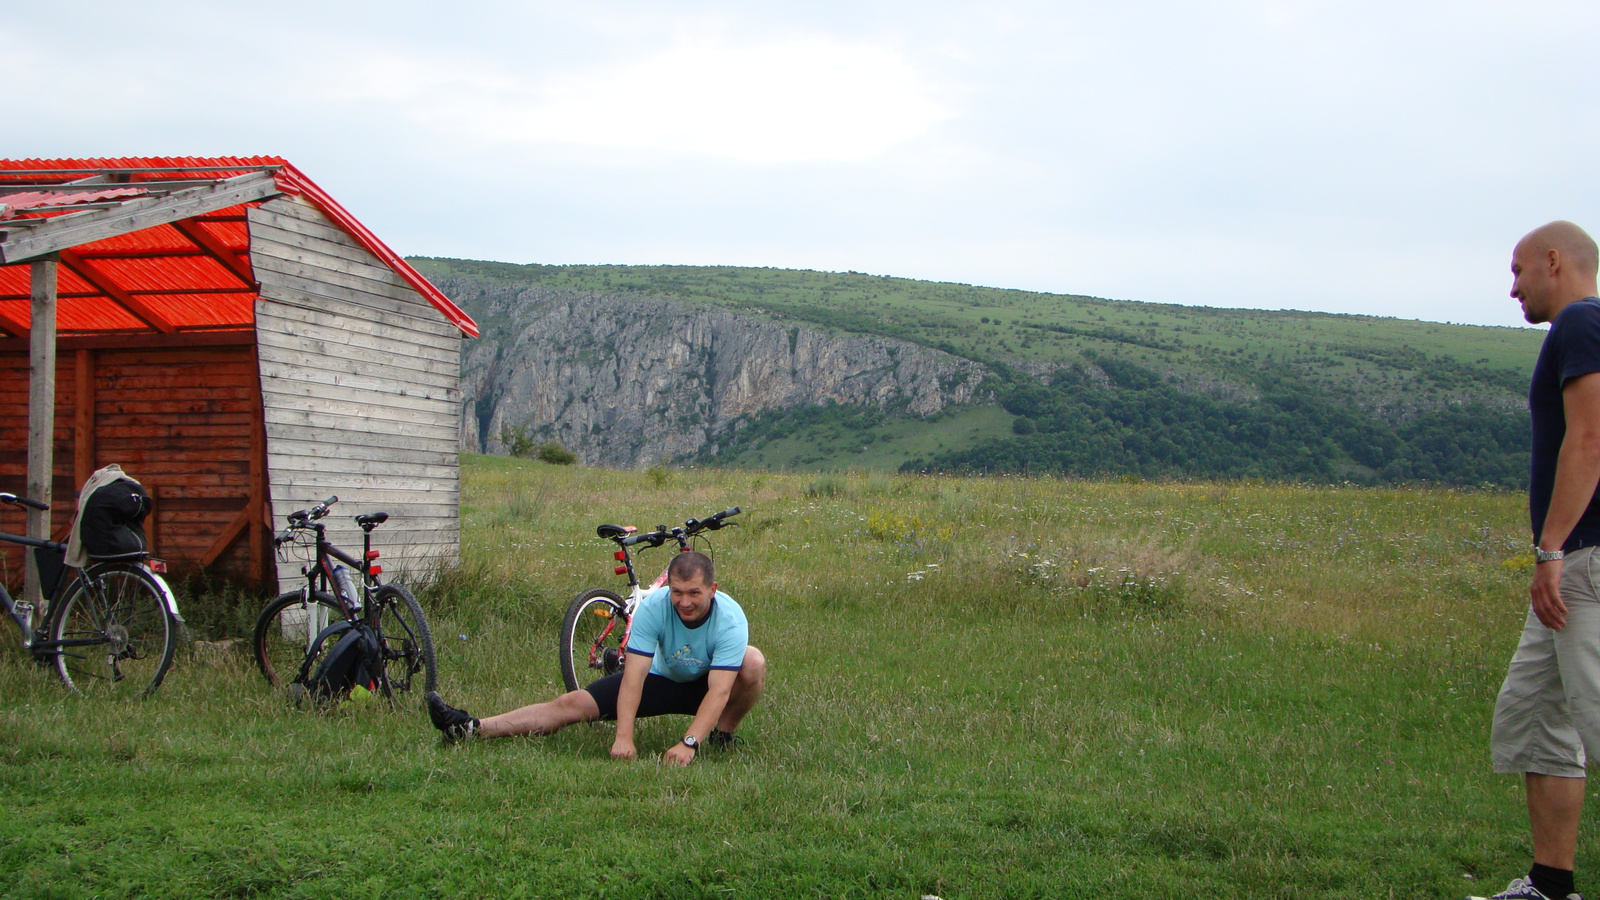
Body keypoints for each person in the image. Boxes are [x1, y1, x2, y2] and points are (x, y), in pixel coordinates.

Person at [1474, 221, 1600, 900]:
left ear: (1555, 261)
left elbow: (1590, 438)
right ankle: (1551, 886)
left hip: (1585, 562)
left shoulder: (1582, 322)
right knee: (1536, 719)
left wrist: (1551, 549)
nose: (1513, 287)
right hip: (1570, 565)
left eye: (1519, 270)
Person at [425, 550, 766, 766]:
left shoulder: (730, 619)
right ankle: (471, 728)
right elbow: (633, 677)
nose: (685, 602)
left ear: (712, 589)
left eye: (695, 593)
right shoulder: (655, 607)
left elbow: (720, 690)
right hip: (661, 680)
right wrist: (624, 736)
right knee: (570, 703)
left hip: (707, 688)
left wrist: (688, 743)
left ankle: (722, 735)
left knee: (752, 662)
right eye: (677, 592)